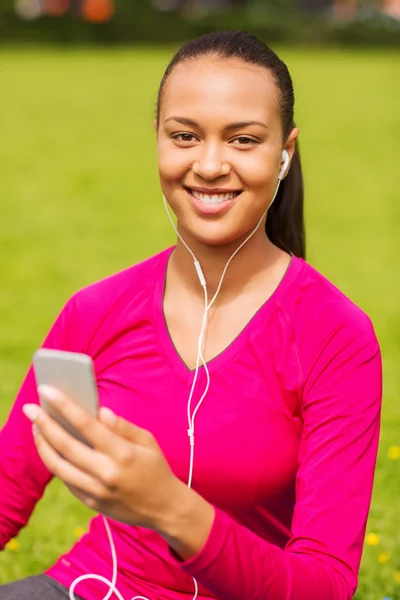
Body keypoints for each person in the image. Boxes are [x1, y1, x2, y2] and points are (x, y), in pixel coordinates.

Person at [0, 30, 382, 600]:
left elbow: (324, 586)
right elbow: (8, 490)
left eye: (243, 140)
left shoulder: (335, 336)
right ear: (157, 139)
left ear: (286, 152)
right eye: (184, 136)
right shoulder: (96, 311)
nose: (208, 164)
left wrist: (173, 509)